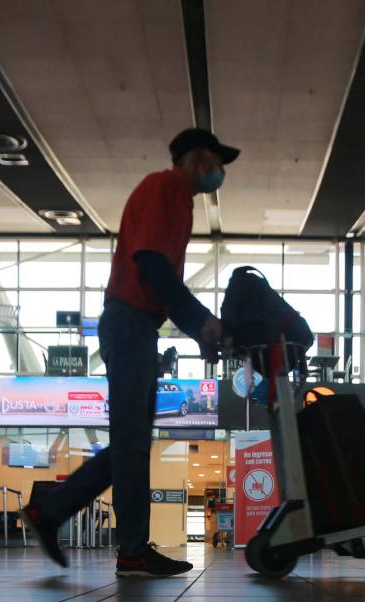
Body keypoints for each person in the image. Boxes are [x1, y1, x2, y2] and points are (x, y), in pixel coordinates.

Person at [23, 128, 236, 578]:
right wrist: (200, 321)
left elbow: (159, 277)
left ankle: (52, 512)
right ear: (198, 158)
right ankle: (132, 552)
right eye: (218, 162)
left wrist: (191, 330)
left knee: (130, 443)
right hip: (130, 322)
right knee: (132, 445)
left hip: (138, 325)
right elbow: (153, 265)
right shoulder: (165, 188)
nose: (221, 172)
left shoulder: (179, 199)